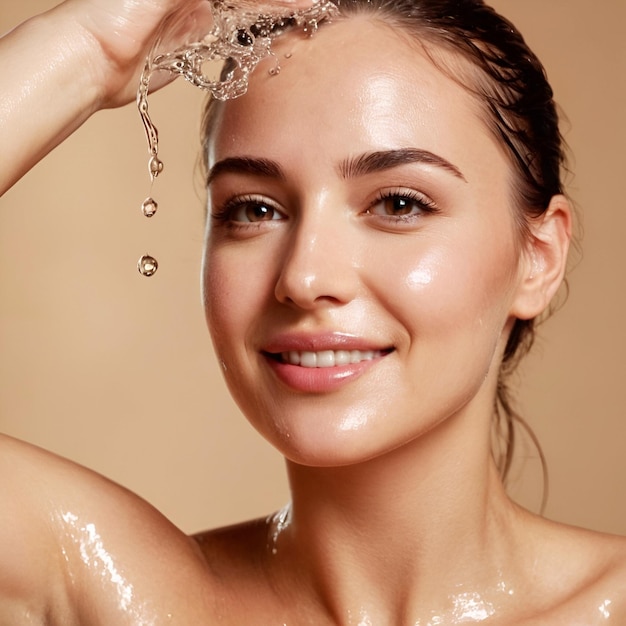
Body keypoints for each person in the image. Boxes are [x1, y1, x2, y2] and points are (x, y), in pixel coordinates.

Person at [1, 0, 625, 623]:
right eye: (255, 209)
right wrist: (87, 52)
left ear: (538, 258)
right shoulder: (134, 599)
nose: (303, 278)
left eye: (399, 203)